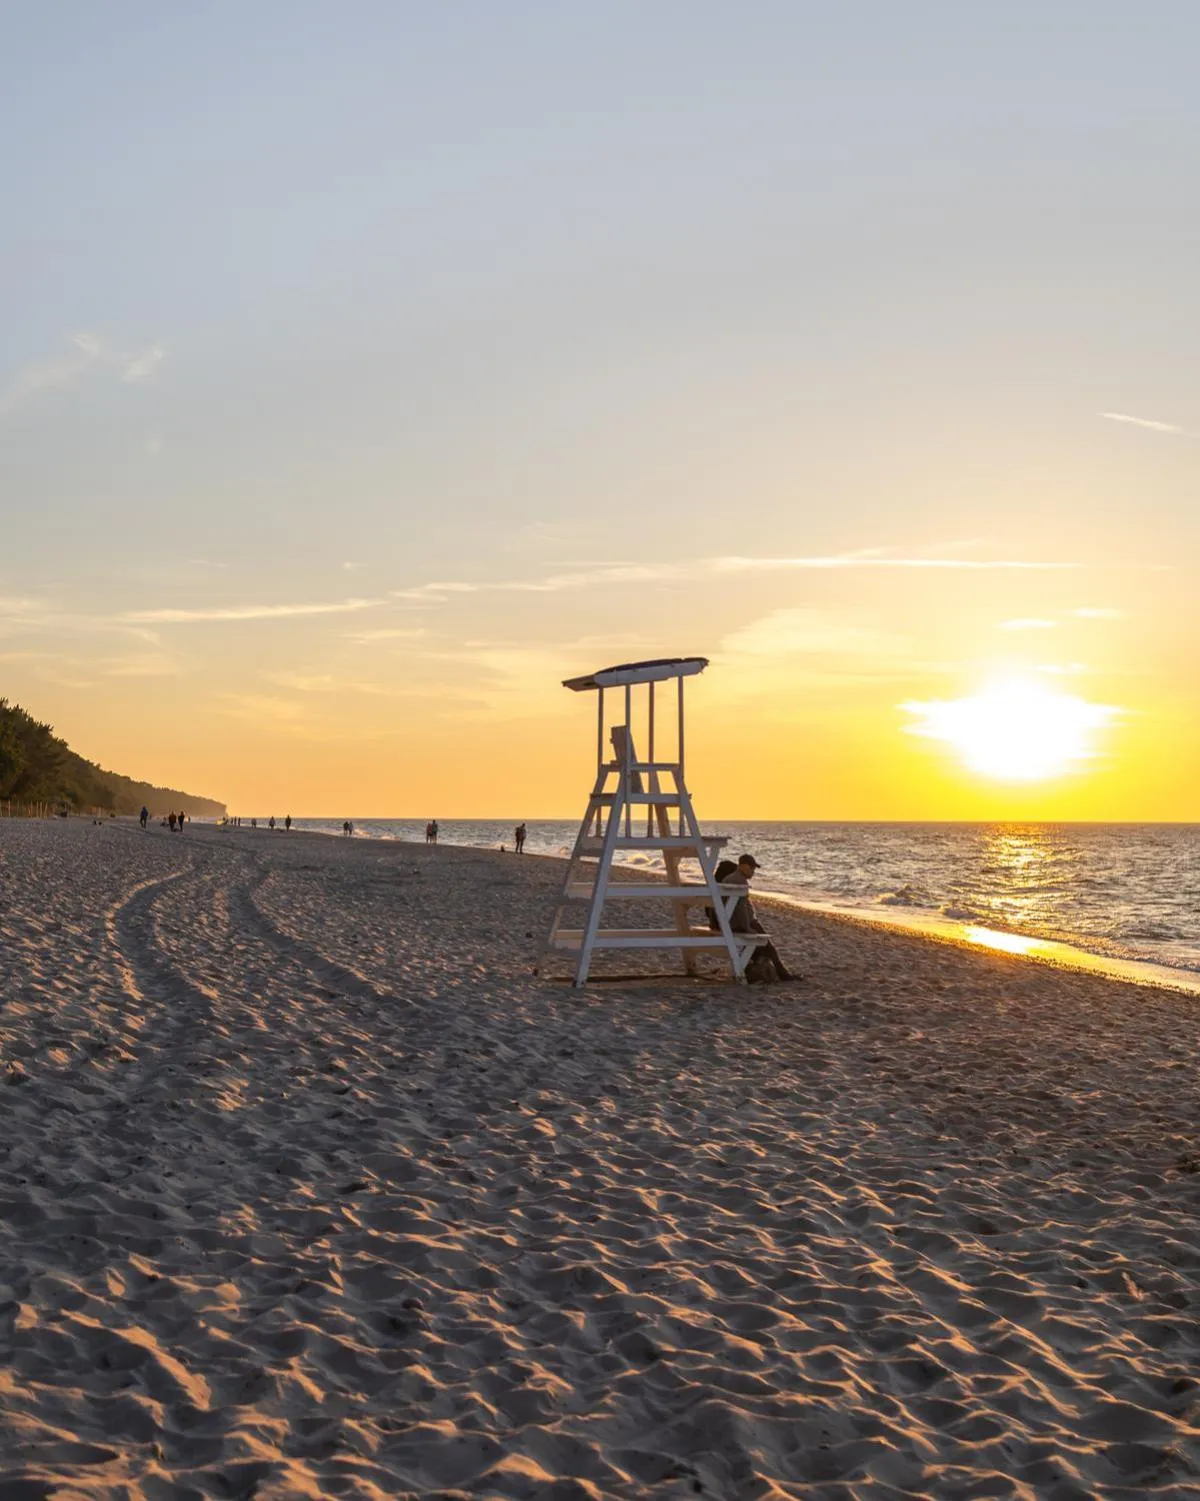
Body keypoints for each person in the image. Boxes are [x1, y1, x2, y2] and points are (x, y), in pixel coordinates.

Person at [722, 853, 792, 982]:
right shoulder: (739, 881)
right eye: (751, 868)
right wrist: (747, 927)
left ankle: (753, 970)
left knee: (759, 947)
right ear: (743, 867)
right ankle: (784, 975)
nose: (753, 872)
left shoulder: (730, 878)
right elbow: (740, 909)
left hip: (731, 922)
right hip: (739, 924)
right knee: (768, 947)